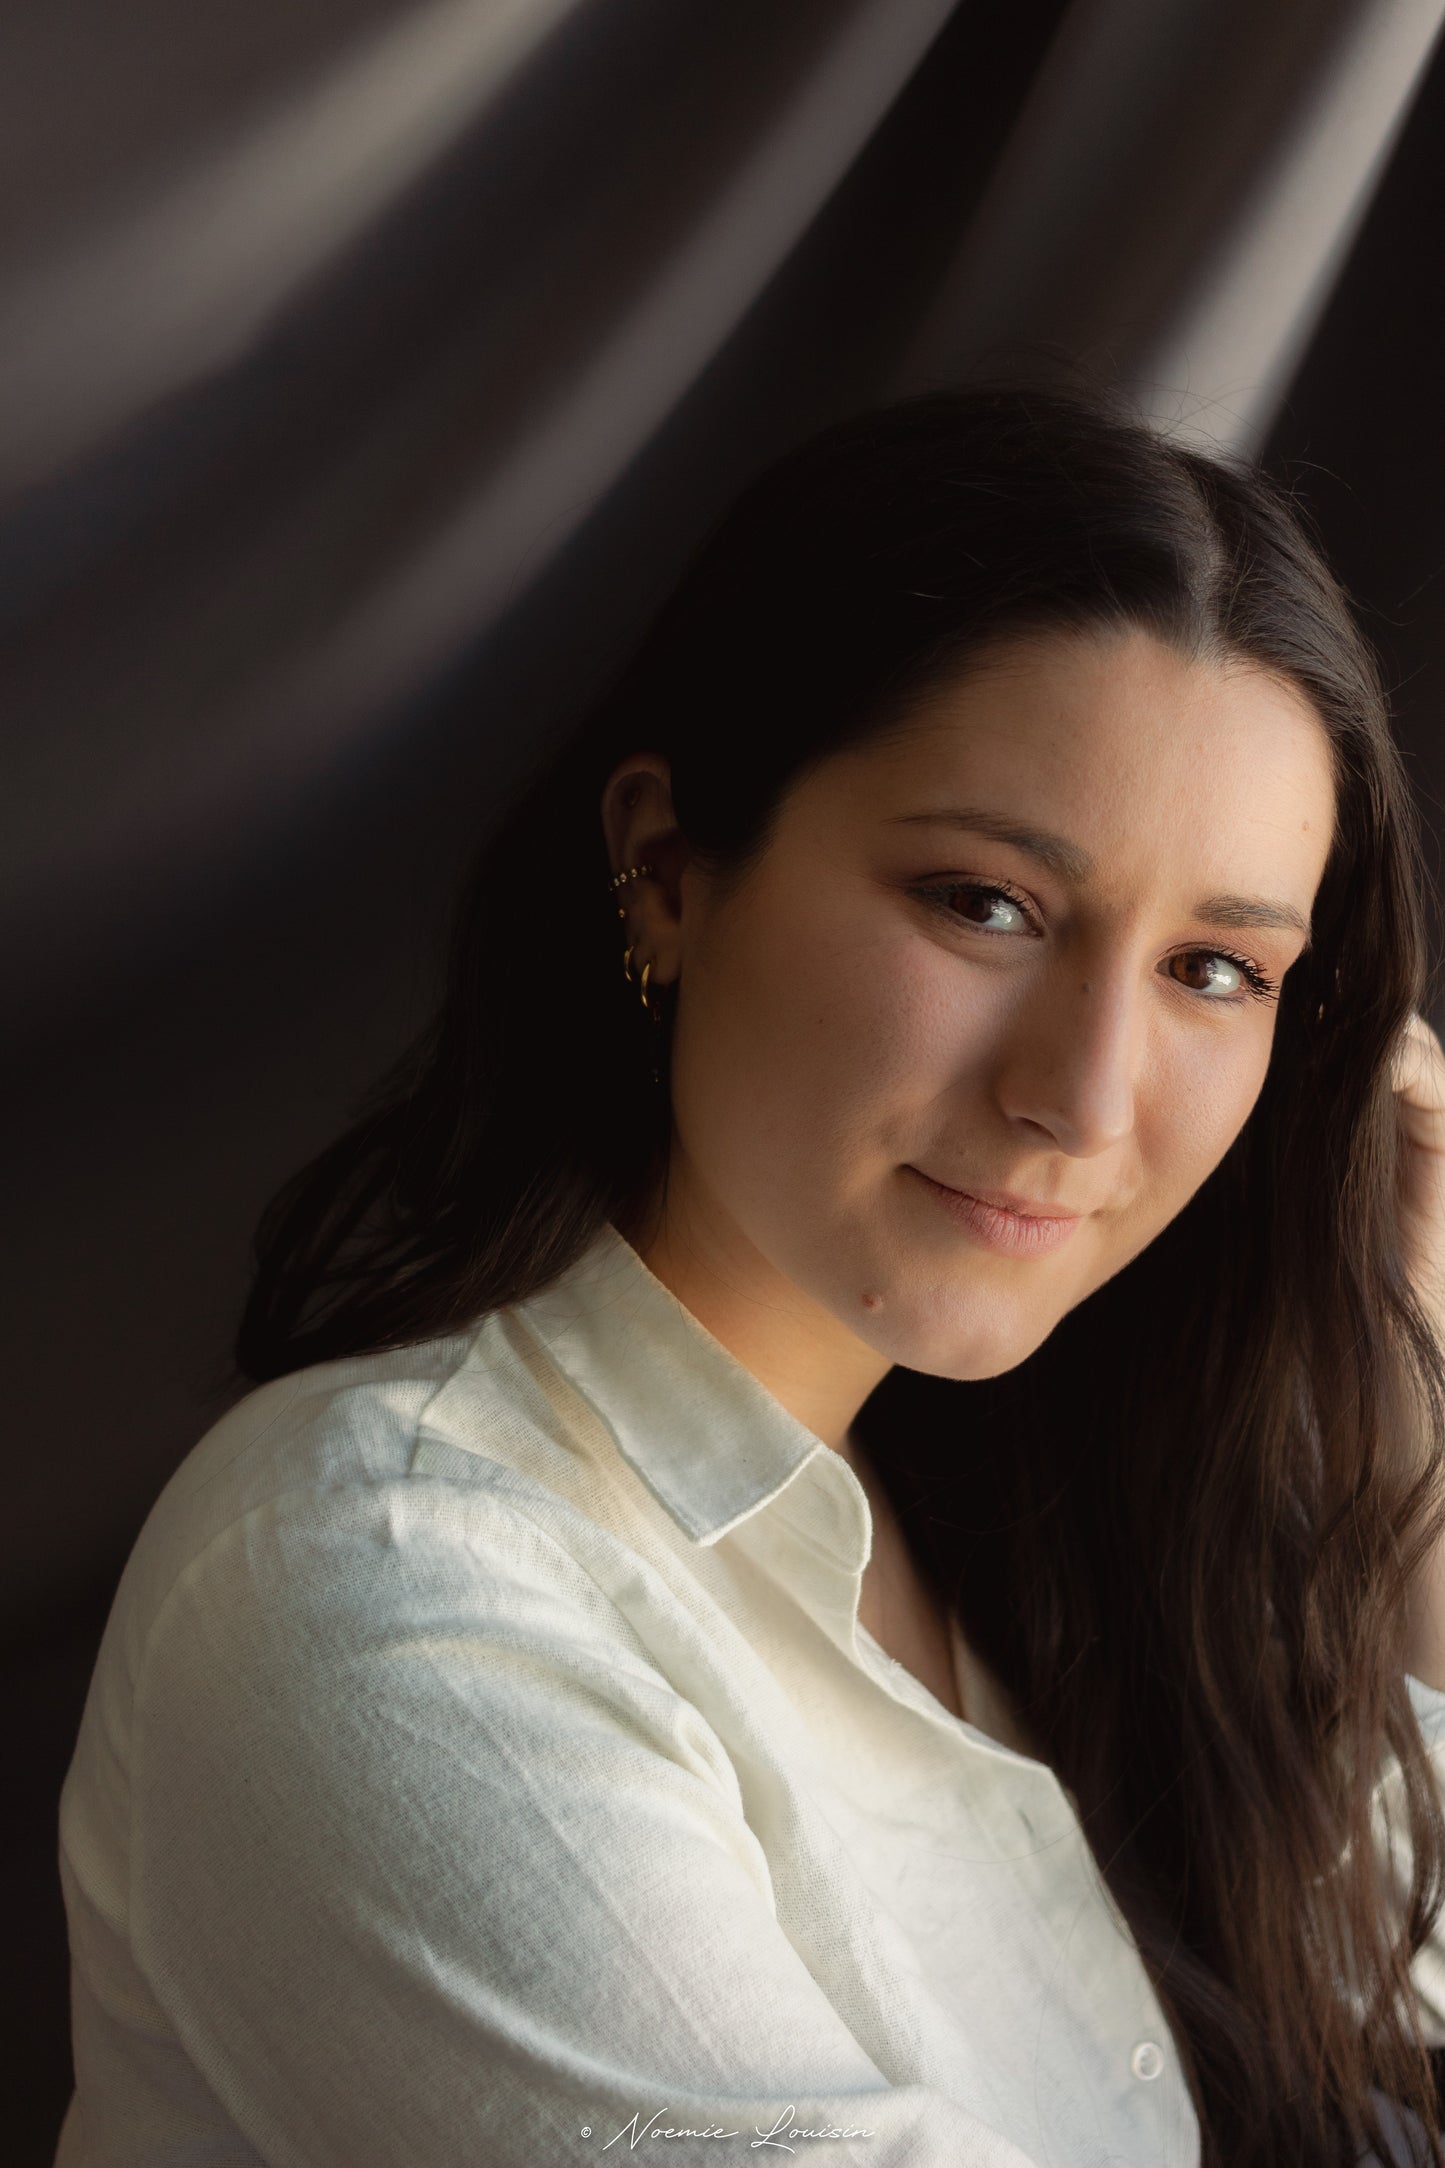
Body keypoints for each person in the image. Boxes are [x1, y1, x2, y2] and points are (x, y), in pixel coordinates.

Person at [53, 382, 1445, 2168]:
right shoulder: (389, 1582)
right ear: (662, 871)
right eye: (984, 904)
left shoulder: (1033, 1530)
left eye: (1212, 971)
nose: (1080, 1100)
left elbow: (1396, 1992)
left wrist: (1401, 1395)